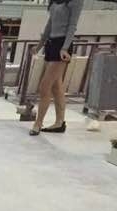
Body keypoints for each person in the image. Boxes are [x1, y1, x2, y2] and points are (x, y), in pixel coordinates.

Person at [30, 0, 84, 135]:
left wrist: (65, 48)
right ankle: (59, 122)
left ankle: (38, 123)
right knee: (56, 86)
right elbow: (50, 24)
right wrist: (39, 45)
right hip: (51, 43)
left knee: (45, 85)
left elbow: (72, 26)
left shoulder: (76, 2)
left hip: (62, 45)